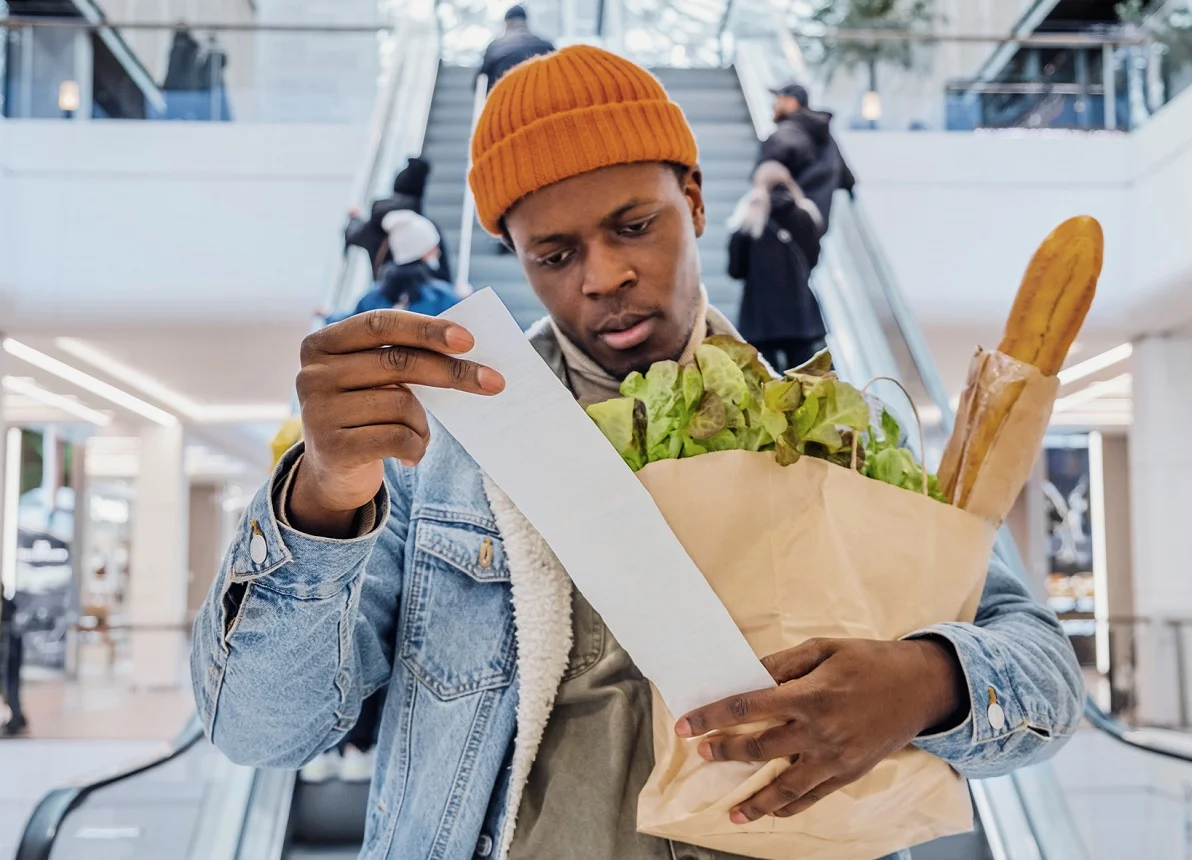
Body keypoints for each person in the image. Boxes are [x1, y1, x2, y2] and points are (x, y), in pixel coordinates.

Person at [192, 46, 1083, 860]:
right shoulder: (436, 452)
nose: (602, 276)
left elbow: (1045, 675)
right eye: (555, 252)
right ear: (516, 258)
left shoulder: (826, 427)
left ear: (694, 201)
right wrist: (321, 495)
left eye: (633, 225)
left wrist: (926, 682)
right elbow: (260, 732)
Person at [728, 160, 827, 373]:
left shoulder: (747, 219)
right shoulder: (806, 215)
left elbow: (735, 270)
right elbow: (813, 261)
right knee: (806, 383)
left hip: (760, 315)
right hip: (799, 313)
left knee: (764, 382)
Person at [759, 83, 856, 234]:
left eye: (778, 99)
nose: (774, 104)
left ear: (792, 102)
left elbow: (763, 176)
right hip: (816, 223)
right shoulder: (825, 136)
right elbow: (846, 177)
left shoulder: (785, 135)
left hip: (785, 226)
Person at [330, 211, 459, 324]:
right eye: (433, 248)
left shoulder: (372, 297)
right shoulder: (441, 296)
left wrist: (328, 316)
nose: (438, 253)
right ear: (422, 252)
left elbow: (350, 325)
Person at [344, 156, 453, 283]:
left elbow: (354, 234)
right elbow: (444, 275)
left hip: (384, 296)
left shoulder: (377, 224)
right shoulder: (426, 228)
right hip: (422, 299)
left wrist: (355, 218)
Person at [479, 5, 556, 92]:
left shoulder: (495, 47)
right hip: (541, 98)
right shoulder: (546, 45)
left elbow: (481, 80)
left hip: (505, 99)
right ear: (525, 21)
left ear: (507, 22)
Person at [1, 593, 26, 737]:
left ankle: (16, 718)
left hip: (9, 656)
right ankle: (16, 717)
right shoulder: (9, 608)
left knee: (10, 686)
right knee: (11, 687)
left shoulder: (8, 609)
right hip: (10, 655)